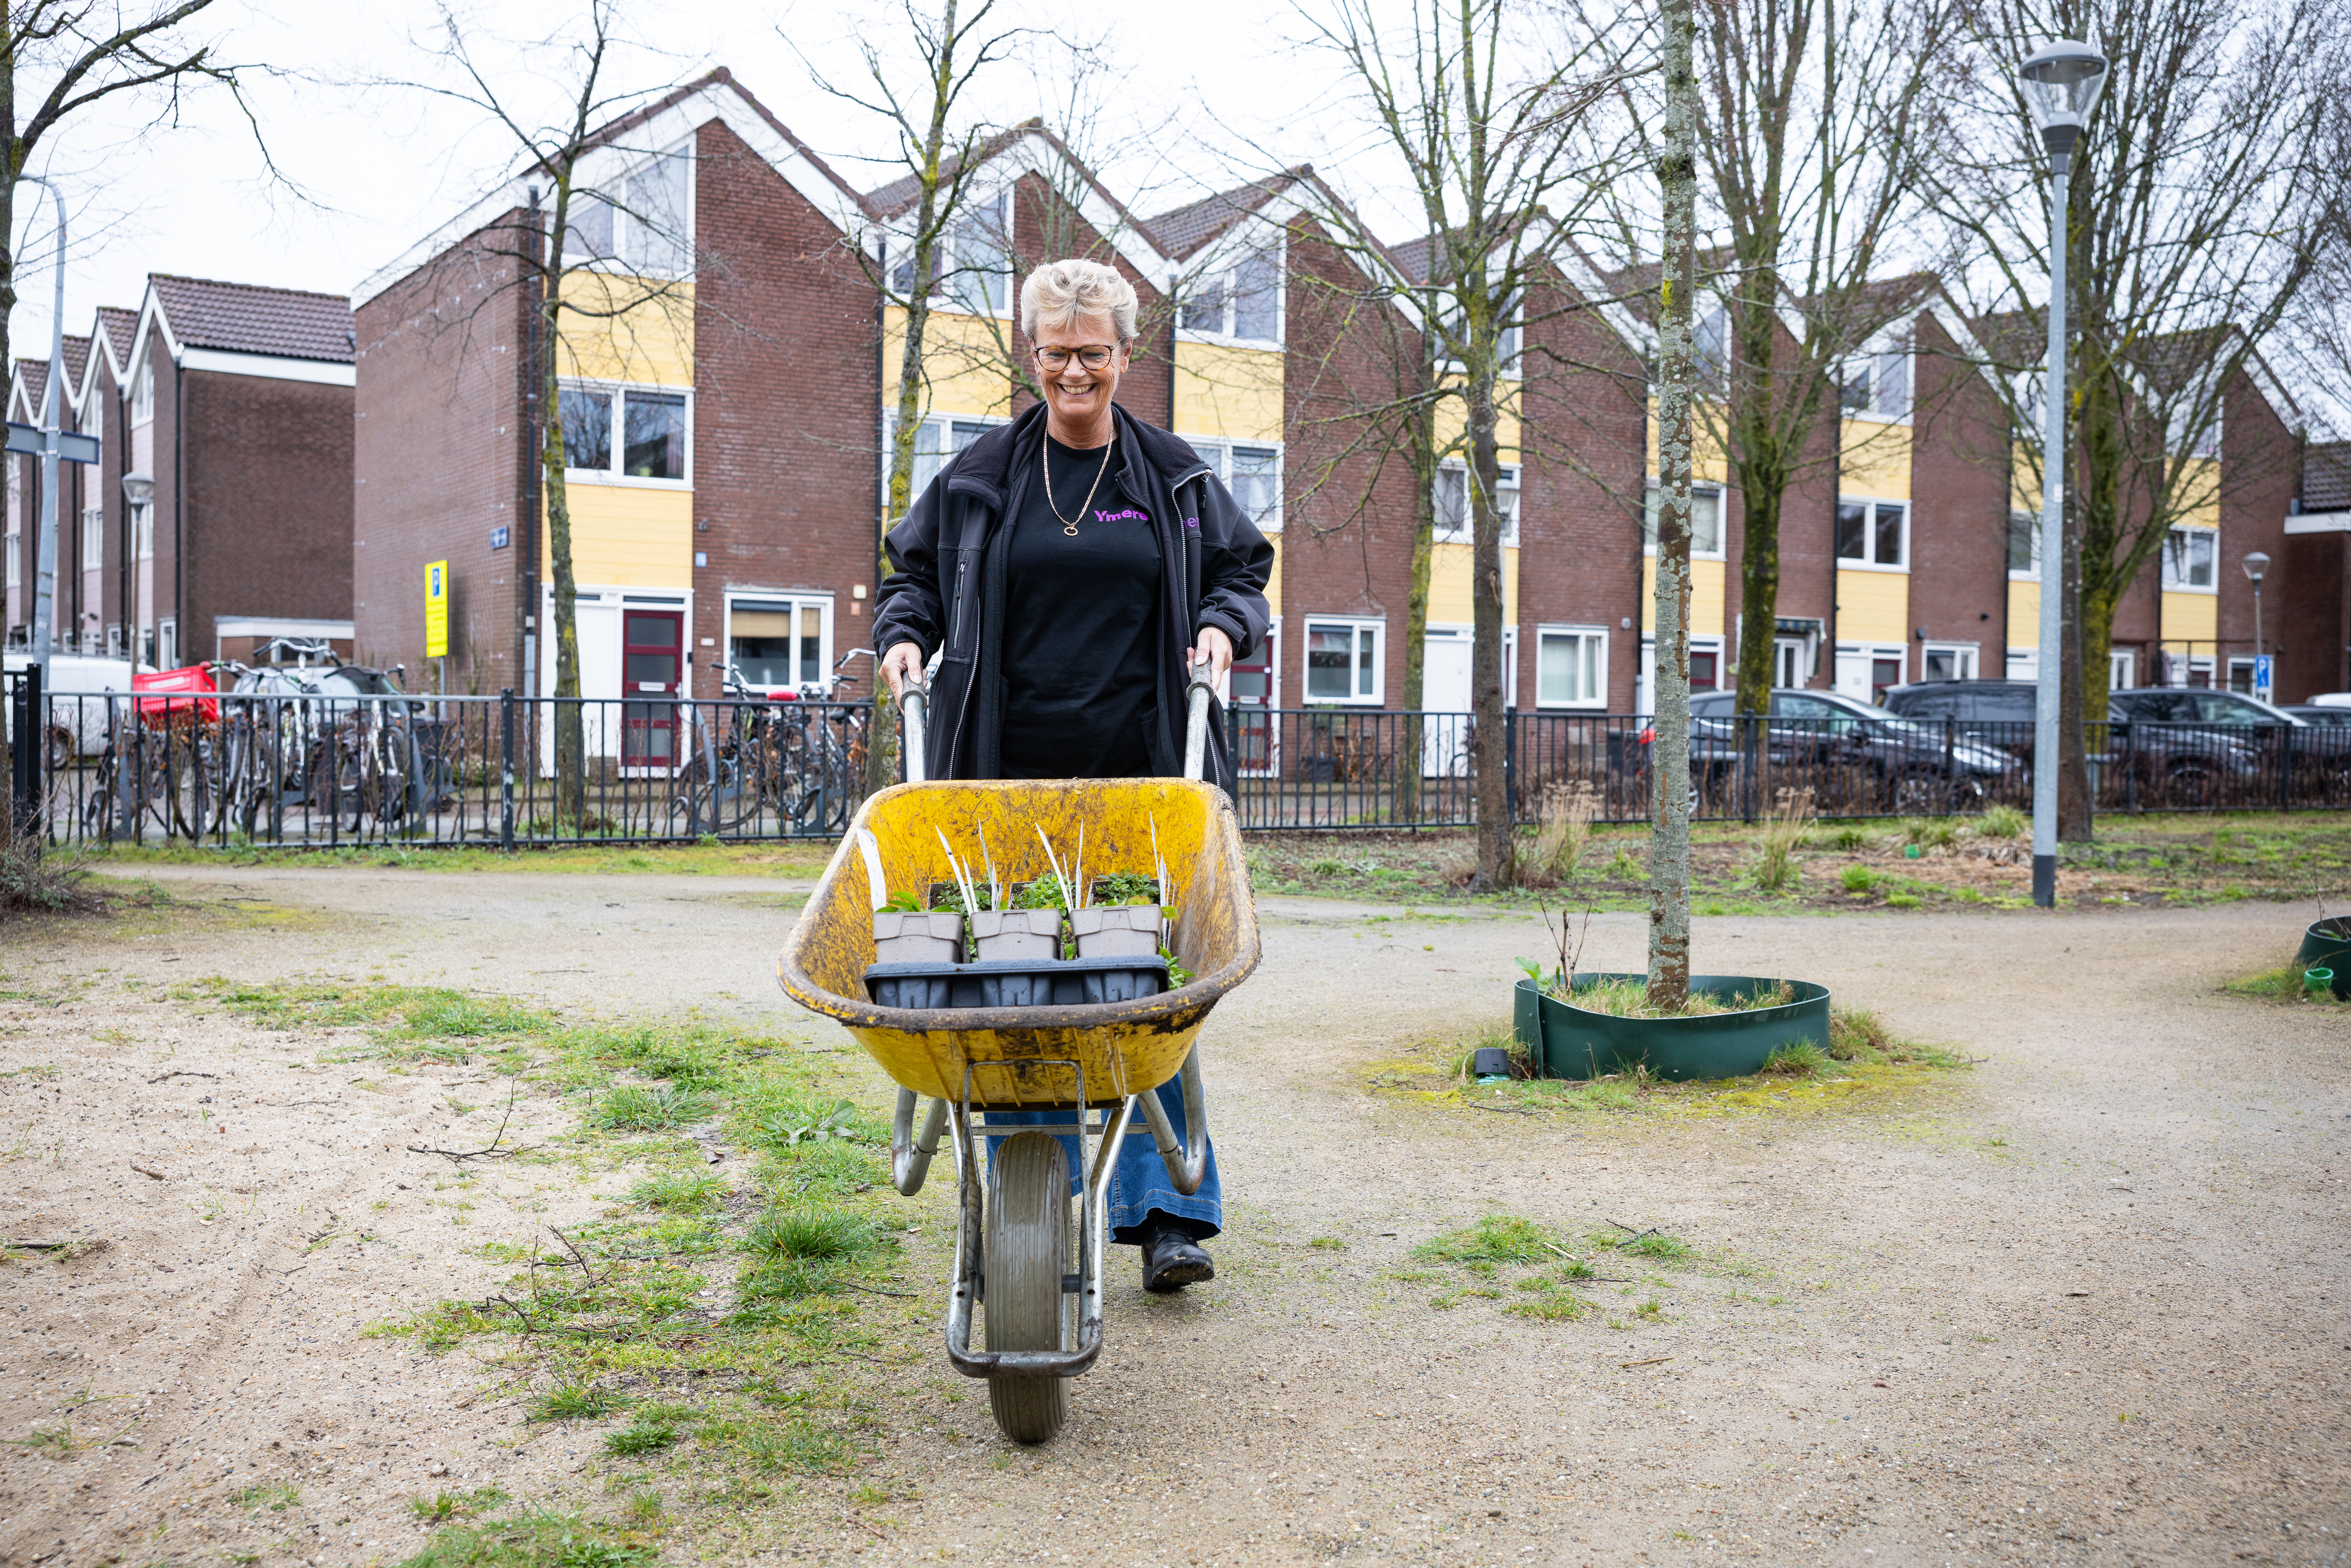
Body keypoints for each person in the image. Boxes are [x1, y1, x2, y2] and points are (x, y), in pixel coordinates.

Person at [872, 257, 1273, 1291]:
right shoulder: (979, 478)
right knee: (1024, 987)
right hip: (1000, 778)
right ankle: (1036, 1191)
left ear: (1125, 355)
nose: (1075, 372)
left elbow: (1242, 570)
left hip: (1142, 780)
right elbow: (909, 576)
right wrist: (903, 637)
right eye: (1056, 353)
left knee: (1151, 993)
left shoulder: (1173, 478)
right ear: (1031, 355)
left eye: (1093, 353)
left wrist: (1227, 630)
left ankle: (1167, 1207)